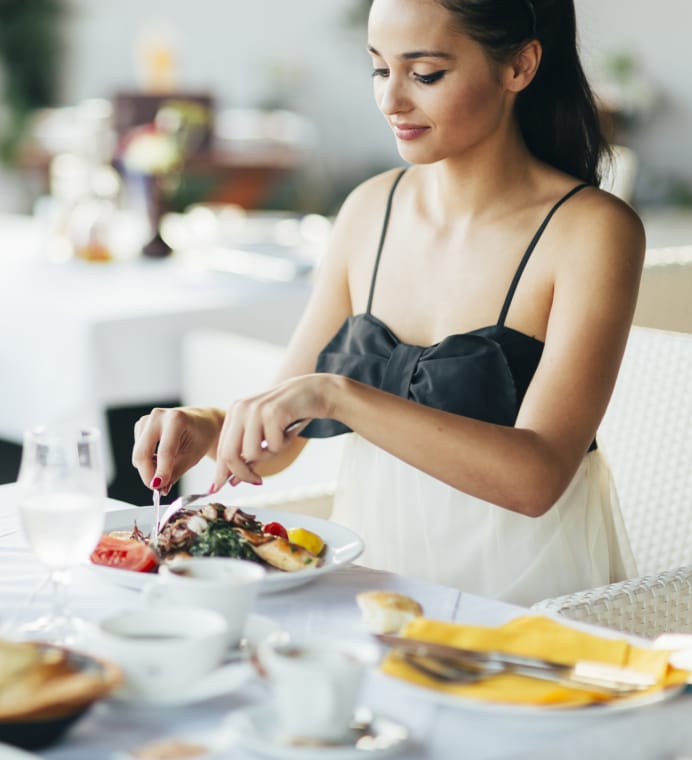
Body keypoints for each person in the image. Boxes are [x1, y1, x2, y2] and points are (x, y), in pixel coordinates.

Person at [131, 0, 643, 606]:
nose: (392, 101)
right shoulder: (368, 209)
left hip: (526, 596)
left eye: (425, 74)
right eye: (379, 70)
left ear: (520, 67)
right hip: (372, 581)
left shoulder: (590, 232)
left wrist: (338, 394)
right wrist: (209, 426)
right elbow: (280, 439)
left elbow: (538, 479)